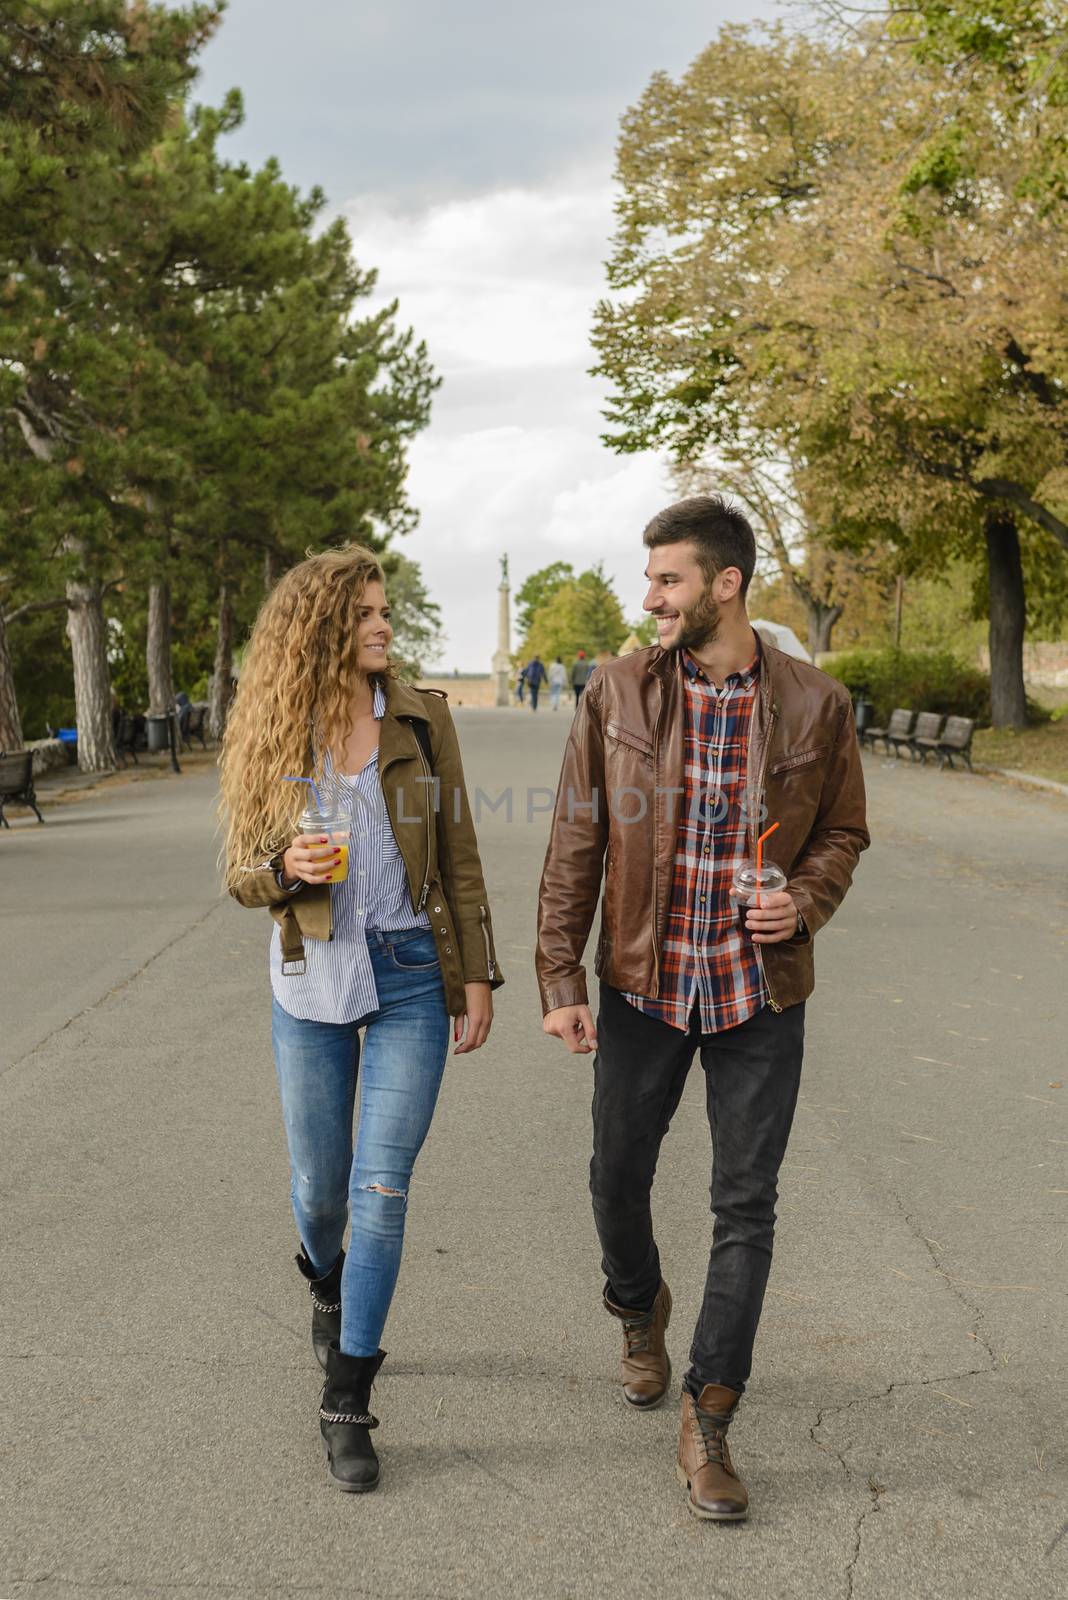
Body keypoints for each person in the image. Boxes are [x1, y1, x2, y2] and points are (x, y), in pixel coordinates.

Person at [536, 495, 868, 1523]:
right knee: (615, 1172)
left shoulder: (817, 704)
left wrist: (800, 899)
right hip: (642, 982)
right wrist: (560, 976)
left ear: (726, 585)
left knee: (746, 1204)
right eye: (652, 579)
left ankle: (710, 1413)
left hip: (758, 994)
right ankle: (637, 1307)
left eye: (669, 579)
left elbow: (845, 833)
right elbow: (576, 832)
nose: (652, 598)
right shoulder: (618, 691)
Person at [219, 544, 504, 1494]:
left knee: (383, 1187)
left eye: (386, 611)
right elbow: (238, 874)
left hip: (414, 972)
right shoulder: (274, 728)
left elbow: (458, 850)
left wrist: (478, 976)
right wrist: (284, 874)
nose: (385, 625)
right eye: (369, 613)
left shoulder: (422, 720)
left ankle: (348, 1395)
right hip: (309, 977)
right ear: (323, 628)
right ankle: (325, 1280)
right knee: (322, 1188)